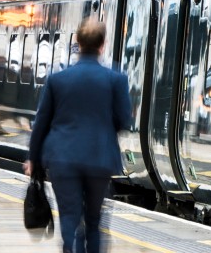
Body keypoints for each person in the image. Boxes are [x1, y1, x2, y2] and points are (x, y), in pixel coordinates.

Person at [24, 19, 131, 253]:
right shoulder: (116, 80)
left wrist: (33, 158)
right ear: (102, 45)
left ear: (78, 44)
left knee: (70, 216)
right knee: (94, 221)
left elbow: (41, 123)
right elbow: (124, 121)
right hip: (99, 158)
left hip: (63, 158)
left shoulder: (57, 79)